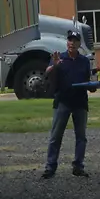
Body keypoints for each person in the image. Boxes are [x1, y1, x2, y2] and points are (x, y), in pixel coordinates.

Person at [41, 29, 95, 179]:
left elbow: (88, 82)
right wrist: (55, 65)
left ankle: (78, 166)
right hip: (63, 101)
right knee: (56, 136)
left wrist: (94, 84)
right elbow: (47, 73)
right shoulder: (60, 58)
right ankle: (50, 166)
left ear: (79, 44)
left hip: (80, 102)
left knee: (81, 136)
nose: (72, 43)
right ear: (67, 42)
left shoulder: (84, 61)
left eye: (75, 40)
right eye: (70, 40)